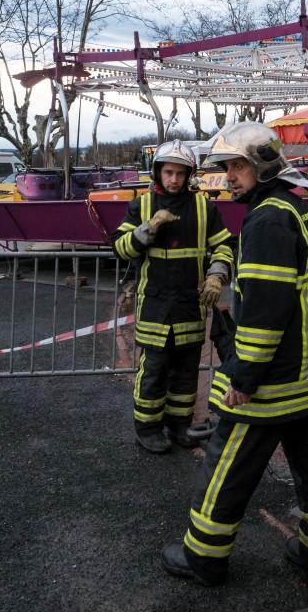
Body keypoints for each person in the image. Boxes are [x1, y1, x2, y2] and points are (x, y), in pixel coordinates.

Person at [160, 122, 308, 594]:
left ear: (262, 164)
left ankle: (202, 558)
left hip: (273, 383)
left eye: (237, 166)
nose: (229, 176)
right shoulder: (296, 210)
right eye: (225, 167)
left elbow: (263, 312)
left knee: (227, 468)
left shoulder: (266, 220)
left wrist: (242, 375)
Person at [112, 140, 233, 454]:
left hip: (190, 307)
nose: (174, 179)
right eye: (168, 172)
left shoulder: (206, 208)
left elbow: (223, 247)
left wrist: (216, 274)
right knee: (153, 371)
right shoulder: (141, 206)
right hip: (154, 307)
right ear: (158, 172)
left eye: (180, 173)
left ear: (190, 174)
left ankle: (180, 426)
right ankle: (148, 429)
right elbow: (120, 248)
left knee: (186, 374)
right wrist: (147, 229)